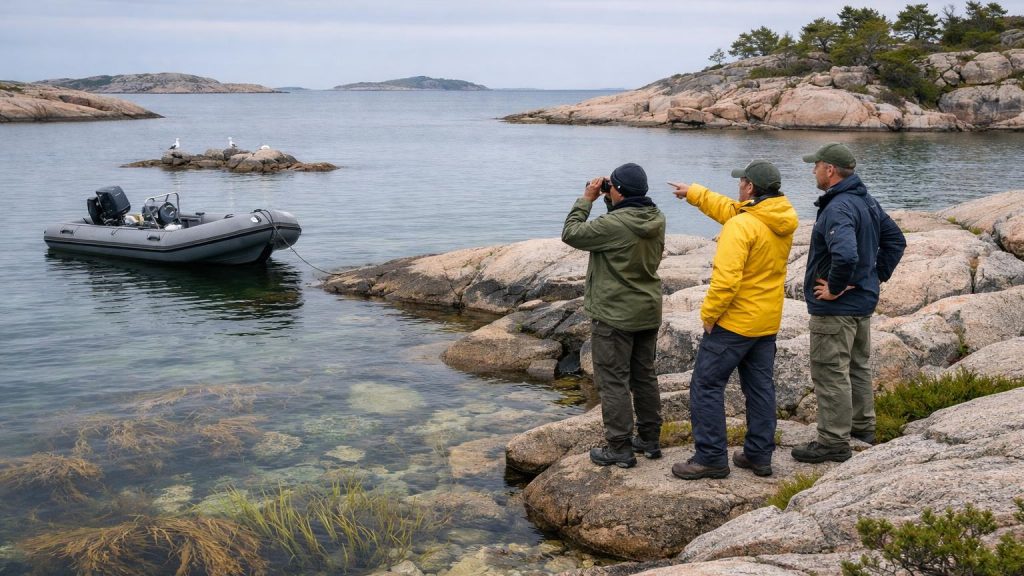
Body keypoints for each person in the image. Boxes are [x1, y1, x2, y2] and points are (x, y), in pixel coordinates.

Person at [667, 160, 798, 480]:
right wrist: (695, 193)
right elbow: (733, 210)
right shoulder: (777, 217)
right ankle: (758, 456)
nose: (739, 185)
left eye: (742, 182)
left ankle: (711, 457)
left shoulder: (741, 226)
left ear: (751, 187)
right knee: (760, 389)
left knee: (706, 385)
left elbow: (726, 281)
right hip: (766, 321)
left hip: (735, 323)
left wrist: (709, 315)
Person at [791, 143, 906, 464]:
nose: (813, 170)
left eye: (816, 165)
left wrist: (836, 288)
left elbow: (845, 254)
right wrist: (873, 277)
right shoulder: (866, 200)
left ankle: (833, 441)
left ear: (829, 170)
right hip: (861, 304)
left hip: (836, 310)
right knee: (857, 366)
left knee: (830, 372)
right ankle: (862, 428)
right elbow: (896, 240)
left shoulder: (838, 207)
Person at [562, 163, 666, 468]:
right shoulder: (656, 217)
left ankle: (619, 447)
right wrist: (611, 197)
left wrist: (587, 199)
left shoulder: (615, 226)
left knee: (613, 381)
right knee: (643, 376)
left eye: (613, 188)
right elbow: (621, 220)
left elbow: (572, 233)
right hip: (646, 310)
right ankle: (649, 438)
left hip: (615, 315)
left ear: (619, 191)